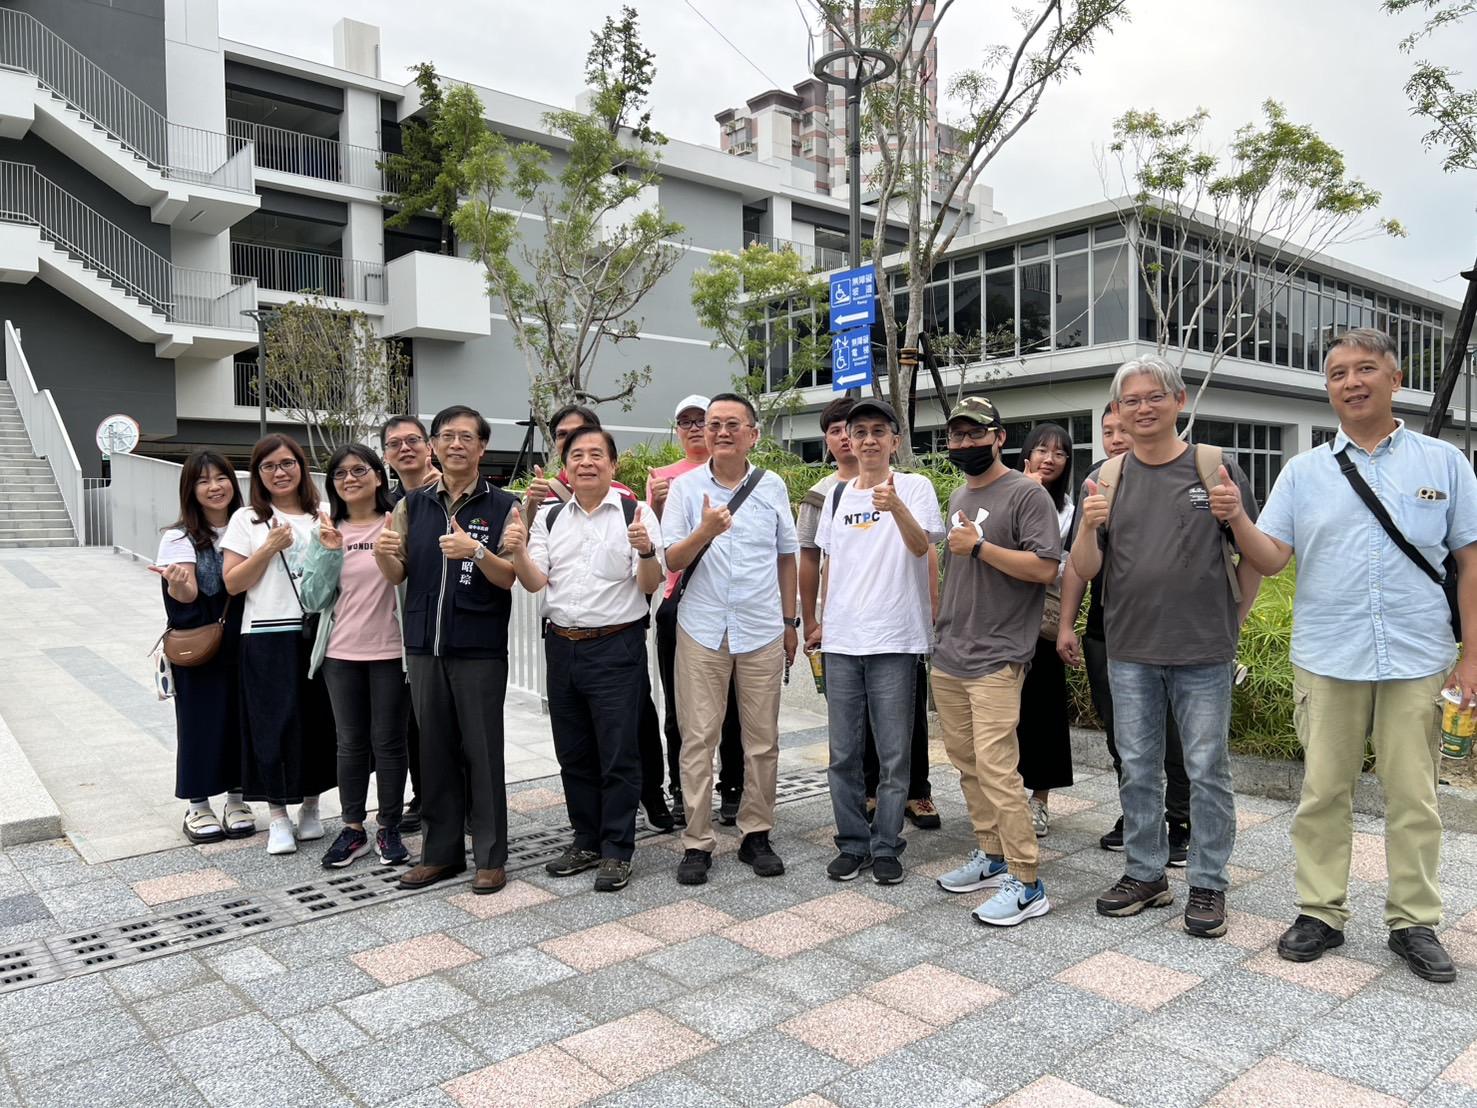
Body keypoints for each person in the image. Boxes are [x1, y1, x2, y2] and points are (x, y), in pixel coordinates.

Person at [1218, 328, 1477, 982]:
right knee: (1322, 792)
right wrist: (1233, 518)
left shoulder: (1443, 463)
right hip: (1327, 656)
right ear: (1327, 389)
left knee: (1413, 797)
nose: (1351, 381)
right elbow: (1271, 557)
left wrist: (1471, 656)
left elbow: (1469, 563)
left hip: (1417, 658)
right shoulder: (1303, 471)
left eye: (1365, 369)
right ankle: (1319, 912)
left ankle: (1412, 922)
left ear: (1393, 380)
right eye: (1337, 373)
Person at [1071, 355, 1261, 939]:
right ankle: (1146, 872)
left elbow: (1254, 553)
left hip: (1204, 648)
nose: (1143, 408)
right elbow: (1083, 568)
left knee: (1206, 769)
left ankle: (1207, 882)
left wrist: (1236, 618)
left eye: (1155, 397)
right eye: (1131, 401)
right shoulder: (1105, 477)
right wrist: (1086, 523)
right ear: (1119, 412)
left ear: (1179, 401)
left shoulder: (1214, 467)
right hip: (1130, 648)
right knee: (1137, 768)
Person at [506, 425, 666, 892]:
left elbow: (650, 585)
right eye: (577, 455)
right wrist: (516, 551)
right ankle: (586, 839)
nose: (587, 462)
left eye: (597, 454)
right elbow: (536, 583)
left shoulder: (636, 513)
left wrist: (647, 551)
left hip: (616, 646)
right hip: (562, 645)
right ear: (566, 466)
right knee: (573, 751)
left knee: (618, 752)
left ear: (613, 466)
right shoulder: (552, 518)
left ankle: (617, 848)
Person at [376, 405, 521, 895]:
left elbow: (510, 578)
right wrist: (383, 558)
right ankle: (440, 855)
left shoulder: (504, 505)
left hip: (478, 646)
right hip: (423, 644)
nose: (455, 444)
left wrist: (476, 553)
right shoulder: (411, 506)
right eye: (446, 436)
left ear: (482, 447)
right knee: (433, 751)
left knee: (482, 752)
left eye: (467, 437)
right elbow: (398, 575)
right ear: (434, 446)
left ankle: (490, 856)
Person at [931, 397, 1062, 926]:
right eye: (956, 437)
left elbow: (1045, 568)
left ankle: (1028, 882)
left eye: (973, 435)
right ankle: (989, 855)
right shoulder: (959, 492)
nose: (964, 445)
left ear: (999, 437)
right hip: (950, 652)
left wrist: (981, 547)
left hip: (998, 656)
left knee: (999, 769)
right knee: (966, 765)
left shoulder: (1028, 494)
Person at [664, 393, 800, 885]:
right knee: (698, 737)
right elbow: (671, 561)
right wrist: (704, 531)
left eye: (731, 424)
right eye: (711, 423)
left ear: (753, 434)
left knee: (761, 740)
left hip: (762, 627)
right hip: (701, 628)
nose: (720, 431)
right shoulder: (684, 488)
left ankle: (756, 832)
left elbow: (787, 556)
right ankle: (698, 840)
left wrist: (790, 622)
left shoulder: (773, 486)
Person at [810, 398, 944, 885]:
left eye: (877, 432)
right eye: (858, 431)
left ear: (895, 441)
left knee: (893, 753)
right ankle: (851, 842)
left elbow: (921, 545)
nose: (867, 439)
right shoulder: (839, 496)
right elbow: (830, 564)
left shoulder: (915, 487)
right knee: (843, 753)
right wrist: (822, 620)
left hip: (895, 638)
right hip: (843, 640)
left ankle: (887, 844)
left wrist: (897, 508)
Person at [1058, 406, 1192, 860]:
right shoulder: (1098, 480)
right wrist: (1066, 624)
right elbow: (1080, 562)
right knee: (1121, 733)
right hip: (1107, 629)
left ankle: (1179, 816)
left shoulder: (1179, 473)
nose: (1116, 437)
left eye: (1123, 429)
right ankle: (1138, 812)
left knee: (1172, 730)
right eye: (1108, 430)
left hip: (1171, 629)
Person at [221, 435, 337, 855]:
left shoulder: (324, 513)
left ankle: (311, 809)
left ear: (301, 467)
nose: (280, 472)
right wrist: (268, 548)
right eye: (269, 466)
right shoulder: (247, 519)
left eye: (287, 463)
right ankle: (278, 818)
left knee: (319, 722)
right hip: (266, 634)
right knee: (272, 725)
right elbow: (233, 582)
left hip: (320, 632)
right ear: (258, 475)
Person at [300, 445, 410, 870]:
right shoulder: (327, 529)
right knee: (349, 743)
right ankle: (352, 829)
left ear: (379, 477)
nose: (350, 478)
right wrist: (329, 551)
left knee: (389, 742)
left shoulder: (396, 523)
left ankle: (389, 827)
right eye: (340, 473)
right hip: (340, 652)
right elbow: (312, 598)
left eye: (359, 470)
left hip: (389, 651)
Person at [648, 394, 746, 826]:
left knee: (735, 705)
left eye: (700, 419)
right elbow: (654, 545)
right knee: (680, 704)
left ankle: (734, 787)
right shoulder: (664, 479)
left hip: (736, 605)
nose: (695, 428)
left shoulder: (743, 477)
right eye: (685, 421)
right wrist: (654, 504)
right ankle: (679, 788)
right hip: (680, 600)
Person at [153, 450, 253, 843]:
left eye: (221, 477)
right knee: (198, 722)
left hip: (243, 639)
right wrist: (176, 582)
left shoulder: (248, 526)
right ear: (190, 490)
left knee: (239, 718)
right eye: (203, 481)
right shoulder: (178, 537)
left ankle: (238, 798)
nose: (215, 487)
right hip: (199, 642)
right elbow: (189, 591)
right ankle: (197, 804)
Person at [1016, 423, 1076, 838]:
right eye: (1040, 450)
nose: (1049, 459)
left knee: (1045, 715)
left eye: (1058, 453)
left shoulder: (1072, 511)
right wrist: (1025, 494)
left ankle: (1039, 801)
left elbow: (1056, 568)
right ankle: (1002, 797)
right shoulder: (1008, 494)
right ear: (1026, 455)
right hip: (1002, 623)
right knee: (1001, 716)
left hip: (1044, 626)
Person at [381, 414, 438, 833]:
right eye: (395, 443)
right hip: (404, 628)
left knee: (451, 721)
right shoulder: (388, 504)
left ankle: (465, 799)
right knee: (416, 720)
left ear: (429, 446)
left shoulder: (450, 491)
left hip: (454, 625)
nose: (405, 448)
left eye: (413, 440)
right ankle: (426, 797)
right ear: (386, 455)